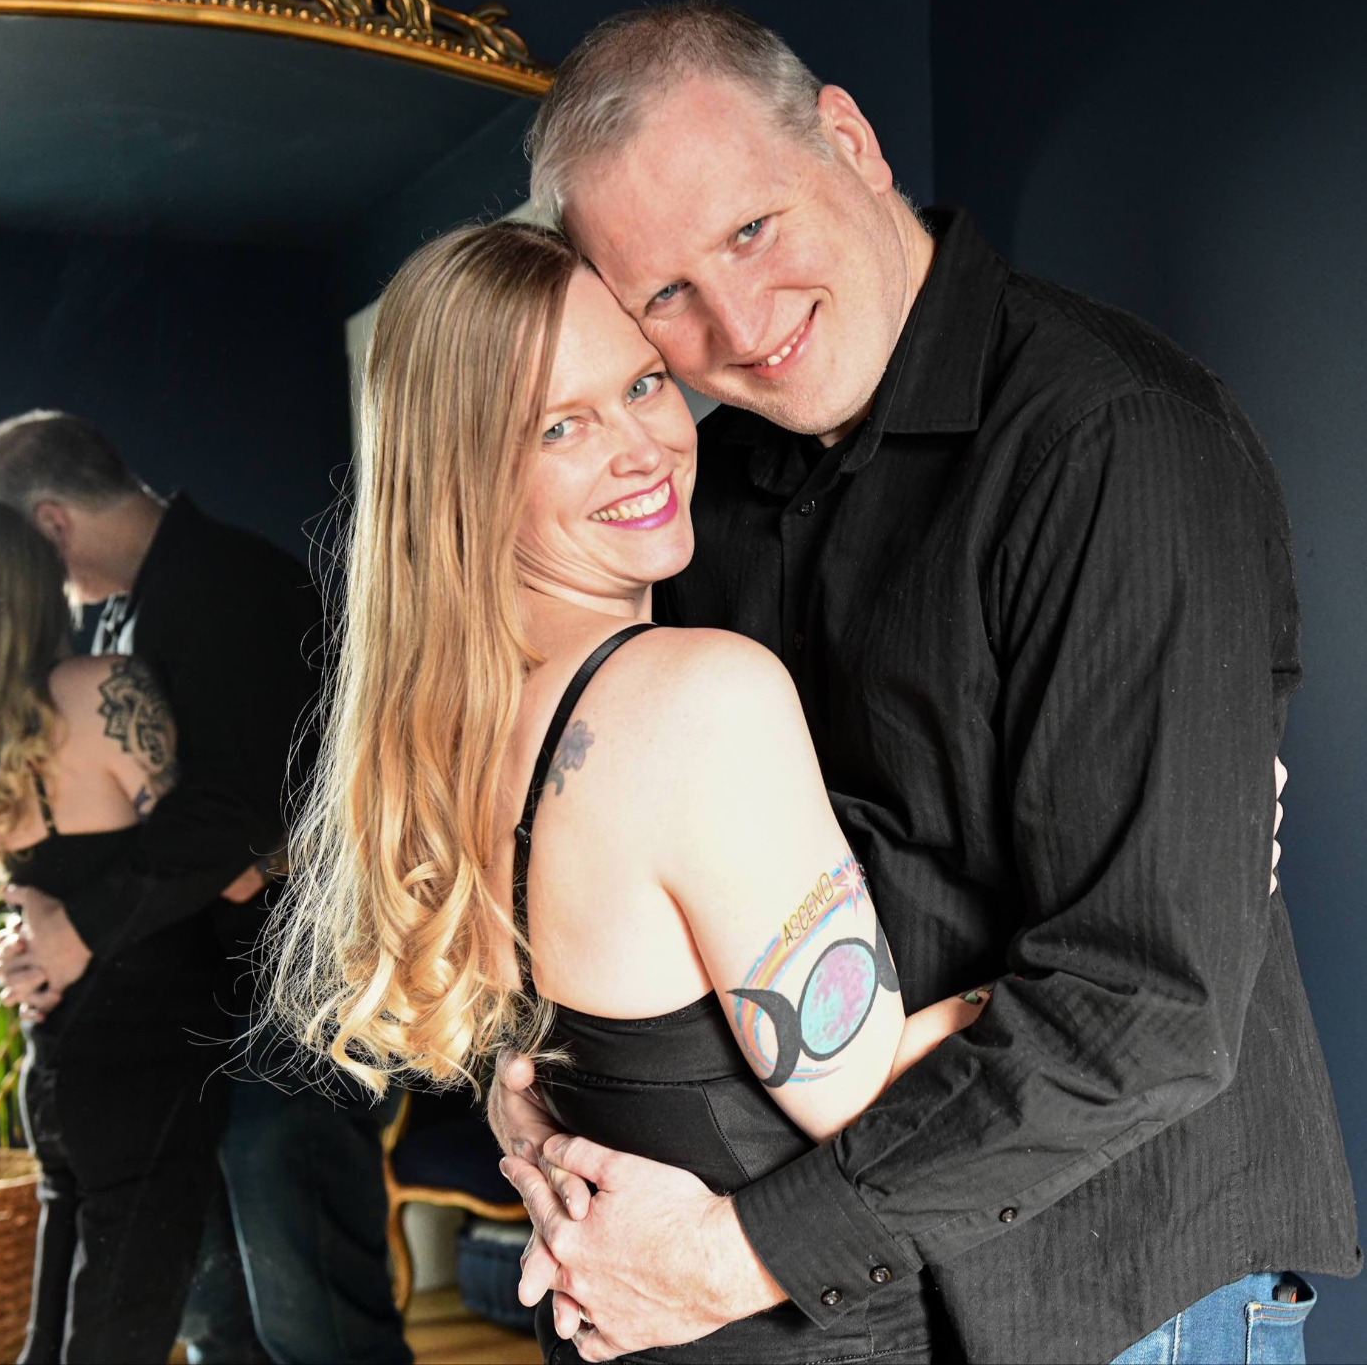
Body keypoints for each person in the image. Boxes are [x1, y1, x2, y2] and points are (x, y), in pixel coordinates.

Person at [486, 2, 1359, 1364]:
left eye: (749, 230)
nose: (738, 324)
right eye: (664, 295)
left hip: (1119, 1296)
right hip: (869, 1306)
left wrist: (736, 1256)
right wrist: (537, 1090)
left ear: (848, 139)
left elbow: (1150, 1006)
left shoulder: (1112, 443)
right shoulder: (698, 503)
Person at [268, 220, 998, 1365]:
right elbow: (859, 1095)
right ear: (464, 478)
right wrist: (1108, 937)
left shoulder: (454, 733)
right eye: (559, 426)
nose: (644, 447)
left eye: (645, 384)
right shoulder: (696, 698)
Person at [0, 414, 409, 1365]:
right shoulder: (125, 620)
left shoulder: (233, 587)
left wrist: (79, 925)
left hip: (295, 1005)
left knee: (314, 1324)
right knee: (218, 1320)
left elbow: (241, 819)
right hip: (201, 1011)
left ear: (49, 526)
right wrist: (47, 923)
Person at [0, 499, 230, 1362]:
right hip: (143, 1065)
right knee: (121, 1333)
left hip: (56, 1065)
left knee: (53, 1338)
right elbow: (219, 857)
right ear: (34, 585)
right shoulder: (98, 692)